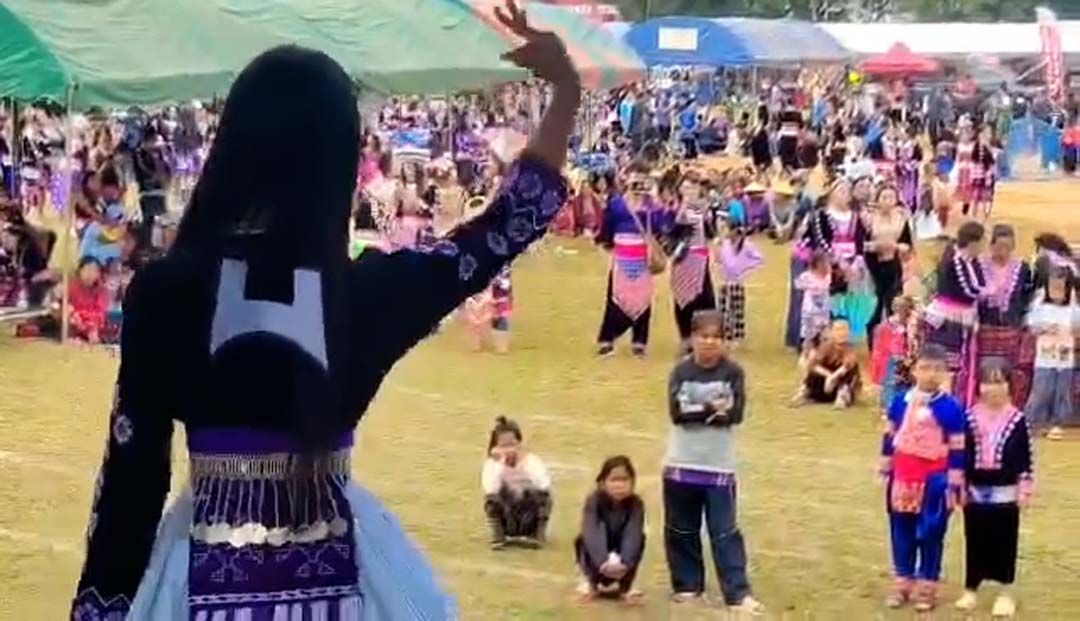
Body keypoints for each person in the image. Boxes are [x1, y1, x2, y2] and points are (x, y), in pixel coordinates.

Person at [71, 5, 581, 617]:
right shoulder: (365, 293)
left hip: (199, 581)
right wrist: (565, 90)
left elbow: (131, 486)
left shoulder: (166, 293)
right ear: (339, 159)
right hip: (347, 586)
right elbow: (502, 228)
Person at [663, 310, 765, 615]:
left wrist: (701, 410)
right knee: (682, 529)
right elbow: (678, 414)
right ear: (692, 338)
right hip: (682, 462)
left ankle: (737, 593)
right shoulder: (681, 371)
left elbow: (735, 414)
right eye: (704, 336)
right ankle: (687, 585)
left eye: (716, 337)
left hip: (718, 465)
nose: (709, 342)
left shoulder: (733, 372)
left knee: (724, 531)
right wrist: (710, 409)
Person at [880, 344, 966, 613]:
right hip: (903, 476)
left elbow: (958, 446)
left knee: (931, 532)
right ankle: (903, 581)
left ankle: (928, 585)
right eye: (925, 368)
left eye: (937, 369)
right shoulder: (900, 401)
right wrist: (886, 467)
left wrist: (954, 481)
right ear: (915, 370)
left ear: (945, 373)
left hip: (935, 480)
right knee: (901, 530)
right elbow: (889, 435)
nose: (930, 374)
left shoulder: (950, 407)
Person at [955, 367, 1034, 618]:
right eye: (987, 382)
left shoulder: (1017, 420)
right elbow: (961, 454)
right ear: (979, 387)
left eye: (999, 382)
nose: (993, 388)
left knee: (1004, 541)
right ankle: (971, 588)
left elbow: (1025, 458)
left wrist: (1024, 488)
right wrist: (959, 485)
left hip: (1005, 491)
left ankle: (1005, 592)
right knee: (975, 538)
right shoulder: (970, 417)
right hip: (975, 491)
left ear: (1009, 386)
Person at [594, 161, 672, 358]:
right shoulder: (616, 204)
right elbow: (607, 227)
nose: (639, 182)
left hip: (642, 257)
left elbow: (662, 228)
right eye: (635, 177)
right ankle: (607, 339)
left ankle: (639, 342)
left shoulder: (652, 206)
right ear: (627, 178)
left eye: (643, 178)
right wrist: (606, 243)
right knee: (616, 297)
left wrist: (657, 203)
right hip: (622, 256)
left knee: (643, 298)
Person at [923, 221, 987, 407]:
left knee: (958, 363)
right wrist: (987, 293)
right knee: (945, 363)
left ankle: (954, 402)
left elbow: (979, 284)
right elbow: (966, 291)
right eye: (982, 241)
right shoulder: (955, 260)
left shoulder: (972, 261)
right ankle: (937, 404)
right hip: (949, 318)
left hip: (963, 318)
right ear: (973, 242)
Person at [575, 455, 646, 602]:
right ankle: (591, 583)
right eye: (614, 480)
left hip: (622, 555)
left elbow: (633, 533)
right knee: (582, 539)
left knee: (640, 539)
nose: (619, 485)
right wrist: (602, 561)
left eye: (624, 480)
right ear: (603, 482)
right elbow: (592, 530)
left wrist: (625, 562)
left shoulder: (636, 504)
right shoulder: (594, 501)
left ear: (632, 482)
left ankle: (625, 587)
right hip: (599, 555)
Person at [977, 225, 1035, 406]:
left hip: (1011, 328)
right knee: (985, 367)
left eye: (1008, 247)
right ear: (991, 245)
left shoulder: (1022, 268)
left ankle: (1007, 405)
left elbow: (1026, 297)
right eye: (999, 246)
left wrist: (1024, 321)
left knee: (1008, 368)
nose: (1003, 251)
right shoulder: (979, 266)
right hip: (985, 326)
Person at [1024, 268, 1079, 440]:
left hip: (1064, 358)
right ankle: (1032, 422)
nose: (1056, 292)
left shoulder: (1072, 307)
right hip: (1044, 358)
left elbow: (1077, 326)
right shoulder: (1041, 304)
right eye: (1053, 288)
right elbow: (1031, 323)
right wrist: (1044, 327)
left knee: (1062, 391)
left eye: (1060, 289)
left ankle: (1057, 423)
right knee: (1041, 390)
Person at [482, 416, 553, 549]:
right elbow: (491, 489)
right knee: (492, 500)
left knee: (544, 497)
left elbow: (544, 484)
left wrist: (524, 475)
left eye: (512, 444)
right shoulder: (492, 465)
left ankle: (537, 535)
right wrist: (500, 465)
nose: (509, 450)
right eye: (503, 446)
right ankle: (498, 536)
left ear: (519, 444)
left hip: (528, 514)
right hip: (507, 516)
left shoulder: (532, 462)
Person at [669, 171, 716, 352]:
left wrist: (708, 217)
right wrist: (683, 209)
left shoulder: (702, 208)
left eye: (693, 187)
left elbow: (711, 233)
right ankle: (685, 337)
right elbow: (672, 231)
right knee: (683, 298)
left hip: (700, 258)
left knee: (705, 298)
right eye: (686, 187)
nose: (690, 191)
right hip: (683, 257)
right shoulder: (675, 208)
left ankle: (705, 335)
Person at [863, 184, 913, 349]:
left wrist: (896, 247)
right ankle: (873, 344)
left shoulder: (901, 219)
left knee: (894, 306)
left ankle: (895, 345)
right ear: (877, 199)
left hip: (894, 267)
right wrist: (876, 246)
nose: (887, 201)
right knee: (874, 308)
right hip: (872, 268)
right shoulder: (868, 219)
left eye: (891, 197)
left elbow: (907, 244)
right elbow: (860, 244)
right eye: (884, 197)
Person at [792, 319, 861, 409]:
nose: (841, 333)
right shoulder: (825, 346)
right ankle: (807, 392)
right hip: (825, 386)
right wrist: (828, 375)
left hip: (840, 384)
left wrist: (833, 377)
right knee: (814, 372)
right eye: (838, 329)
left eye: (844, 329)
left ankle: (842, 397)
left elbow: (847, 366)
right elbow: (812, 364)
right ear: (831, 332)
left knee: (850, 370)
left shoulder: (850, 349)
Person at [715, 220, 763, 346]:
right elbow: (719, 261)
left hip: (737, 282)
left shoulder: (746, 245)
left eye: (726, 229)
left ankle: (737, 336)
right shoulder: (724, 244)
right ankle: (725, 335)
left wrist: (745, 271)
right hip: (725, 281)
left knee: (737, 309)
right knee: (723, 309)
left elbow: (758, 259)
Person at [869, 296, 918, 412]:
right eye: (897, 307)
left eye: (904, 307)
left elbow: (916, 344)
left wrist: (912, 358)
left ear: (910, 309)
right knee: (891, 388)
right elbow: (879, 351)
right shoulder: (886, 326)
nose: (900, 310)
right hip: (892, 362)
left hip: (910, 361)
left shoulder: (914, 325)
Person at [794, 251, 832, 354]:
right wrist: (810, 288)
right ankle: (804, 347)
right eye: (823, 262)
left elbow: (827, 286)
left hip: (823, 307)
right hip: (810, 308)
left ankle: (821, 347)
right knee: (807, 328)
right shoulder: (807, 276)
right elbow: (798, 284)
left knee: (823, 327)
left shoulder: (827, 276)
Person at [66, 256, 109, 344]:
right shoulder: (70, 287)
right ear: (80, 271)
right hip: (73, 328)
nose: (91, 274)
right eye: (88, 270)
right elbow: (68, 310)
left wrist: (90, 327)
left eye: (95, 271)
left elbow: (100, 313)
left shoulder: (101, 290)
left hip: (94, 329)